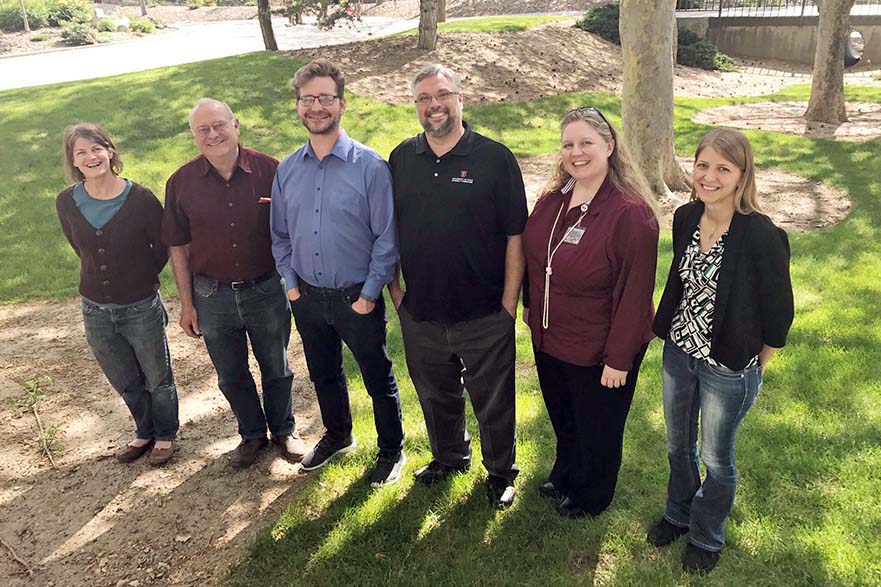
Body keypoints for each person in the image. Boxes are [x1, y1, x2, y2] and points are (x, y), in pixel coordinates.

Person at [647, 127, 794, 573]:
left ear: (742, 175)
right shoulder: (686, 217)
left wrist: (753, 362)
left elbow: (779, 311)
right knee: (678, 447)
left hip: (727, 368)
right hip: (679, 353)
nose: (709, 177)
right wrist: (665, 329)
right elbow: (679, 279)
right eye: (703, 165)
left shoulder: (761, 235)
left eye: (723, 169)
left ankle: (706, 535)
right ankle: (678, 513)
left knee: (716, 456)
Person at [388, 64, 527, 508]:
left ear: (461, 99)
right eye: (424, 98)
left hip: (484, 312)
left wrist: (508, 303)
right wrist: (396, 292)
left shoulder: (494, 158)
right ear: (416, 106)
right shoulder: (401, 159)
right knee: (435, 394)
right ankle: (450, 457)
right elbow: (385, 229)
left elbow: (514, 236)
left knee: (493, 400)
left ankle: (501, 472)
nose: (434, 105)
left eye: (442, 95)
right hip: (422, 311)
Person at [270, 60, 405, 485]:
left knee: (376, 375)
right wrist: (291, 285)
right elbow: (280, 235)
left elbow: (386, 238)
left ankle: (391, 449)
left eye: (325, 98)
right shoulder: (287, 169)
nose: (316, 107)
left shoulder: (370, 167)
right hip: (306, 297)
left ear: (342, 104)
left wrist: (368, 294)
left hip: (356, 297)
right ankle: (339, 434)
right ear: (297, 107)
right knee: (323, 373)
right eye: (307, 99)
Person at [522, 107, 659, 519]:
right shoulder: (553, 199)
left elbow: (636, 293)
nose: (576, 153)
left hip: (601, 348)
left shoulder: (631, 214)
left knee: (598, 427)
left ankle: (593, 494)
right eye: (568, 144)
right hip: (551, 336)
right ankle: (566, 472)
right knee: (565, 417)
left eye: (586, 143)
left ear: (610, 147)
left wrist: (618, 358)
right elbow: (535, 256)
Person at [162, 98, 306, 469]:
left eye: (219, 125)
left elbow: (294, 231)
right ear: (194, 136)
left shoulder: (271, 170)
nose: (213, 135)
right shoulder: (180, 183)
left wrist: (293, 282)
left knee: (276, 366)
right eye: (203, 130)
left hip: (266, 289)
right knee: (230, 373)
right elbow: (178, 247)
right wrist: (187, 303)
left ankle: (284, 430)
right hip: (211, 295)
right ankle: (252, 434)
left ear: (236, 124)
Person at [56, 123, 179, 467]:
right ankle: (144, 431)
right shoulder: (66, 202)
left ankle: (166, 434)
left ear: (110, 152)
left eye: (97, 149)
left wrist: (137, 277)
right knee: (124, 377)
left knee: (157, 375)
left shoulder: (140, 199)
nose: (91, 157)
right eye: (81, 152)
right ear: (74, 162)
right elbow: (81, 249)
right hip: (95, 309)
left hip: (140, 305)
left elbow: (162, 248)